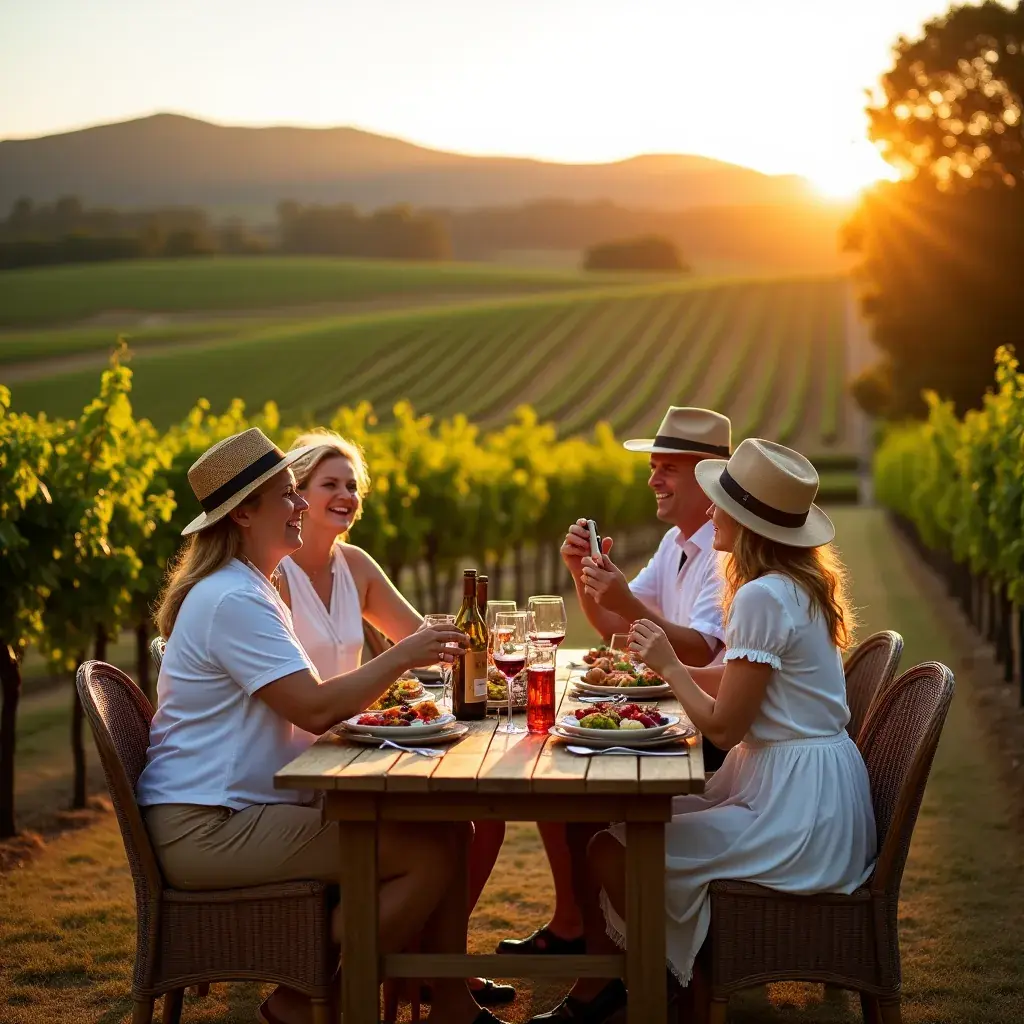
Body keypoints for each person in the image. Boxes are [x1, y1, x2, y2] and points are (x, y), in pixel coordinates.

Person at [137, 428, 504, 1024]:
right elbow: (312, 708)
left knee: (450, 831)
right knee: (430, 853)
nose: (301, 506)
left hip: (237, 809)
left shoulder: (248, 587)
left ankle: (445, 1003)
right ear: (244, 514)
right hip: (208, 826)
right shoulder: (233, 599)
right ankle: (305, 996)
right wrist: (402, 656)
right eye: (288, 494)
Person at [531, 439, 877, 1023]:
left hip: (798, 820)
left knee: (613, 848)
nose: (711, 511)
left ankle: (674, 985)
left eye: (722, 504)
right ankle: (674, 979)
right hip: (818, 798)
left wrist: (668, 667)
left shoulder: (762, 596)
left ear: (748, 522)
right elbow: (738, 679)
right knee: (632, 829)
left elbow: (722, 726)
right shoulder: (794, 585)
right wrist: (667, 670)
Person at [277, 429, 514, 1008]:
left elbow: (419, 639)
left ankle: (438, 975)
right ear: (297, 494)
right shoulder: (275, 575)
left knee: (478, 821)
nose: (346, 495)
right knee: (454, 829)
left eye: (352, 485)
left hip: (352, 746)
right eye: (330, 484)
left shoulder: (354, 564)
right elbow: (306, 692)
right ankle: (405, 975)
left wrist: (491, 659)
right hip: (301, 761)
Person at [497, 406, 732, 960]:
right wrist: (583, 574)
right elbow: (611, 624)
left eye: (667, 468)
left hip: (708, 733)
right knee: (556, 775)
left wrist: (623, 600)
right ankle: (573, 925)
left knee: (573, 787)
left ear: (706, 477)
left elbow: (702, 649)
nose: (653, 480)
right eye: (653, 468)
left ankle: (601, 962)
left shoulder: (722, 554)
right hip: (677, 712)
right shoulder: (676, 543)